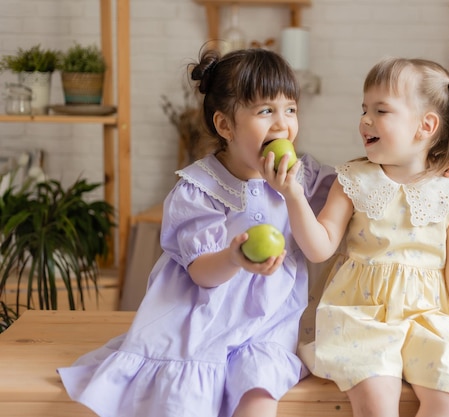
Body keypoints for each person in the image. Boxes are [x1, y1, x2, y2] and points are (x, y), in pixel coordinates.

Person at [57, 47, 335, 417]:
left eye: (290, 109)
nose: (282, 124)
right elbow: (201, 272)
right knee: (184, 398)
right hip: (203, 317)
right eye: (265, 110)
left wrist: (292, 193)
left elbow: (334, 223)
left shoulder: (303, 177)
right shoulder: (199, 189)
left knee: (259, 394)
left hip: (268, 325)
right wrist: (235, 257)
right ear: (225, 126)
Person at [260, 57, 449, 417]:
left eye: (381, 110)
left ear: (425, 126)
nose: (365, 120)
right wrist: (292, 194)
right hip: (360, 317)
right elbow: (319, 248)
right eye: (364, 109)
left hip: (428, 319)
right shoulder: (351, 180)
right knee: (377, 403)